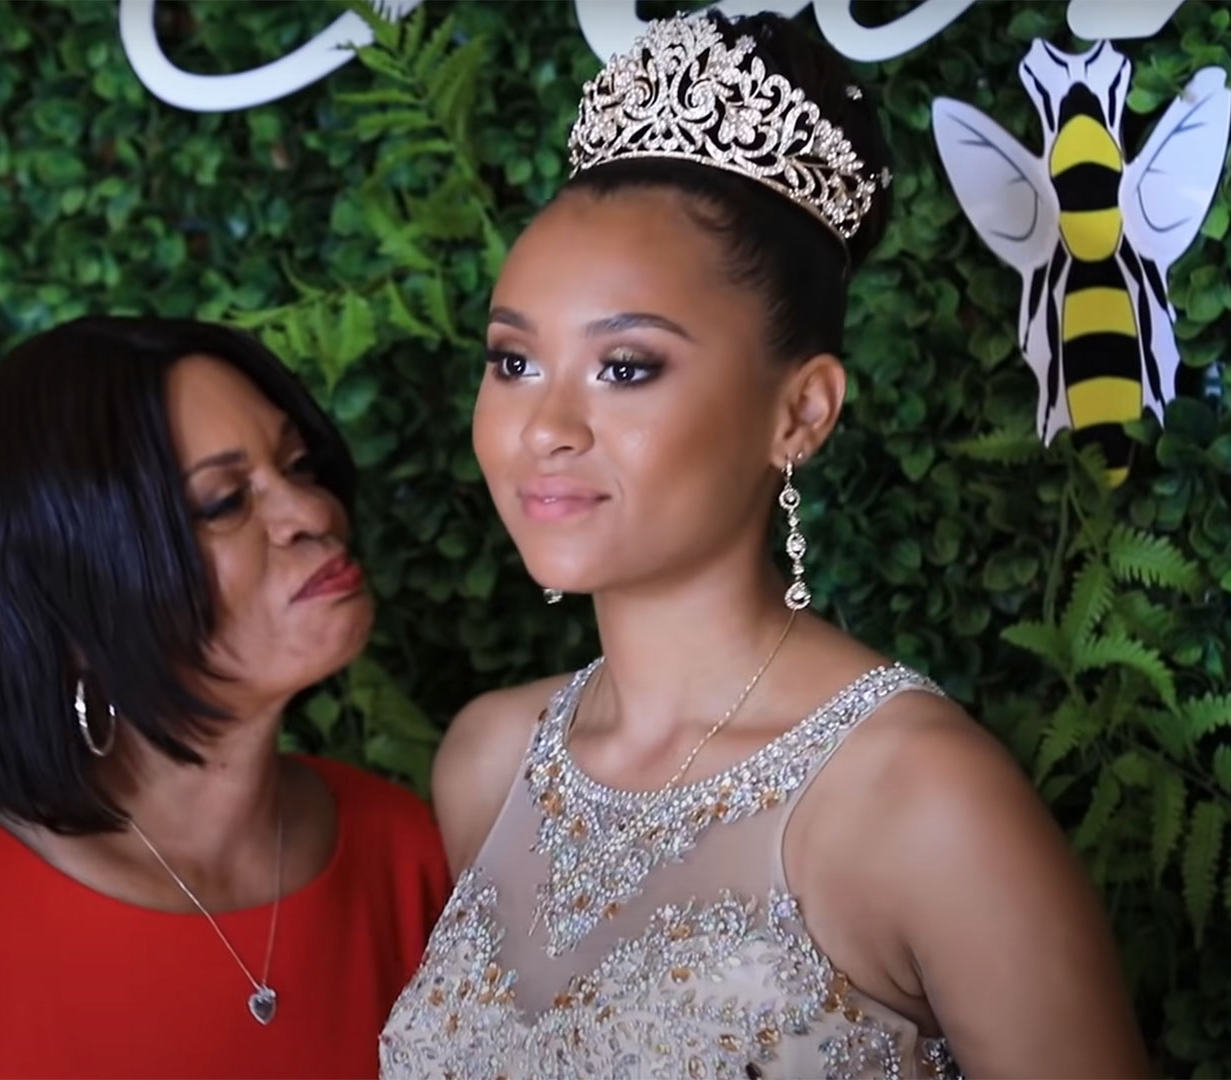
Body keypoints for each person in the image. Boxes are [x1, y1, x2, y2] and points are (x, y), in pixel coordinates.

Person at [380, 11, 1148, 1080]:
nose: (544, 426)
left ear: (801, 411)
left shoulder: (921, 799)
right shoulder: (488, 763)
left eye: (627, 366)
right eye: (513, 362)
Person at [0, 316, 452, 1079]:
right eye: (224, 502)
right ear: (72, 600)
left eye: (299, 465)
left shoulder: (398, 845)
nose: (312, 514)